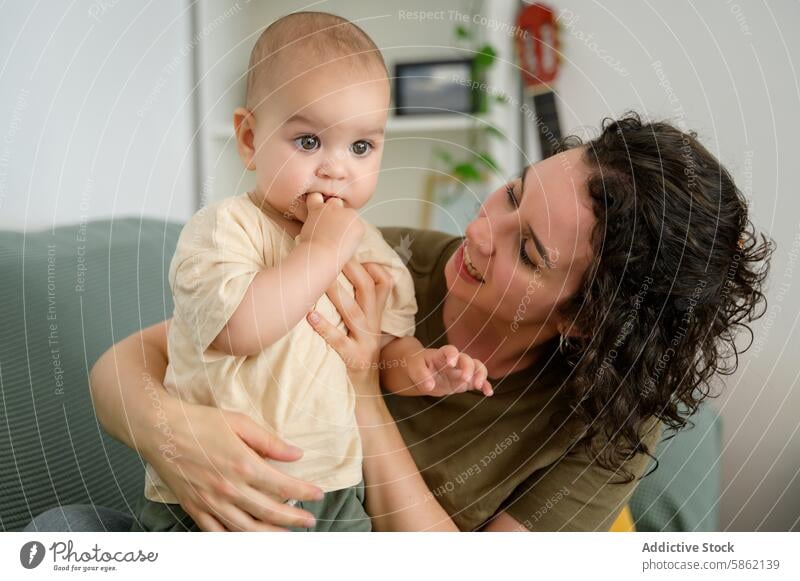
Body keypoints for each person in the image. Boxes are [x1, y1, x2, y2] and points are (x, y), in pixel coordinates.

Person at [89, 112, 773, 532]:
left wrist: (363, 386)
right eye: (513, 193)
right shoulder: (376, 262)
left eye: (527, 250)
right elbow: (127, 363)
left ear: (587, 323)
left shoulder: (608, 426)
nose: (481, 229)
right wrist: (175, 433)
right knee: (65, 531)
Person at [132, 12, 490, 533]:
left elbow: (380, 357)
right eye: (308, 142)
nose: (336, 168)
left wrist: (420, 369)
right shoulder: (223, 230)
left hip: (337, 489)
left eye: (361, 147)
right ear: (250, 139)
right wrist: (320, 253)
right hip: (216, 491)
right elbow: (238, 329)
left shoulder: (375, 255)